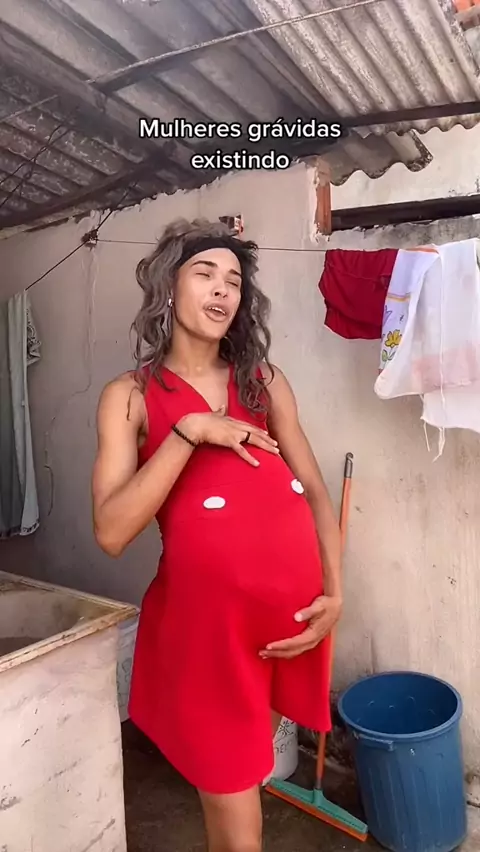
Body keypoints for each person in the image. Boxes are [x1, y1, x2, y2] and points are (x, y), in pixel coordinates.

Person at [92, 218, 343, 852]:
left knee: (242, 784)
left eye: (233, 280)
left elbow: (317, 494)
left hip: (283, 632)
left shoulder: (264, 382)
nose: (222, 289)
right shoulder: (130, 397)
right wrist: (190, 432)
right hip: (207, 636)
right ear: (167, 288)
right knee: (237, 813)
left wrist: (335, 595)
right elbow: (111, 531)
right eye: (204, 273)